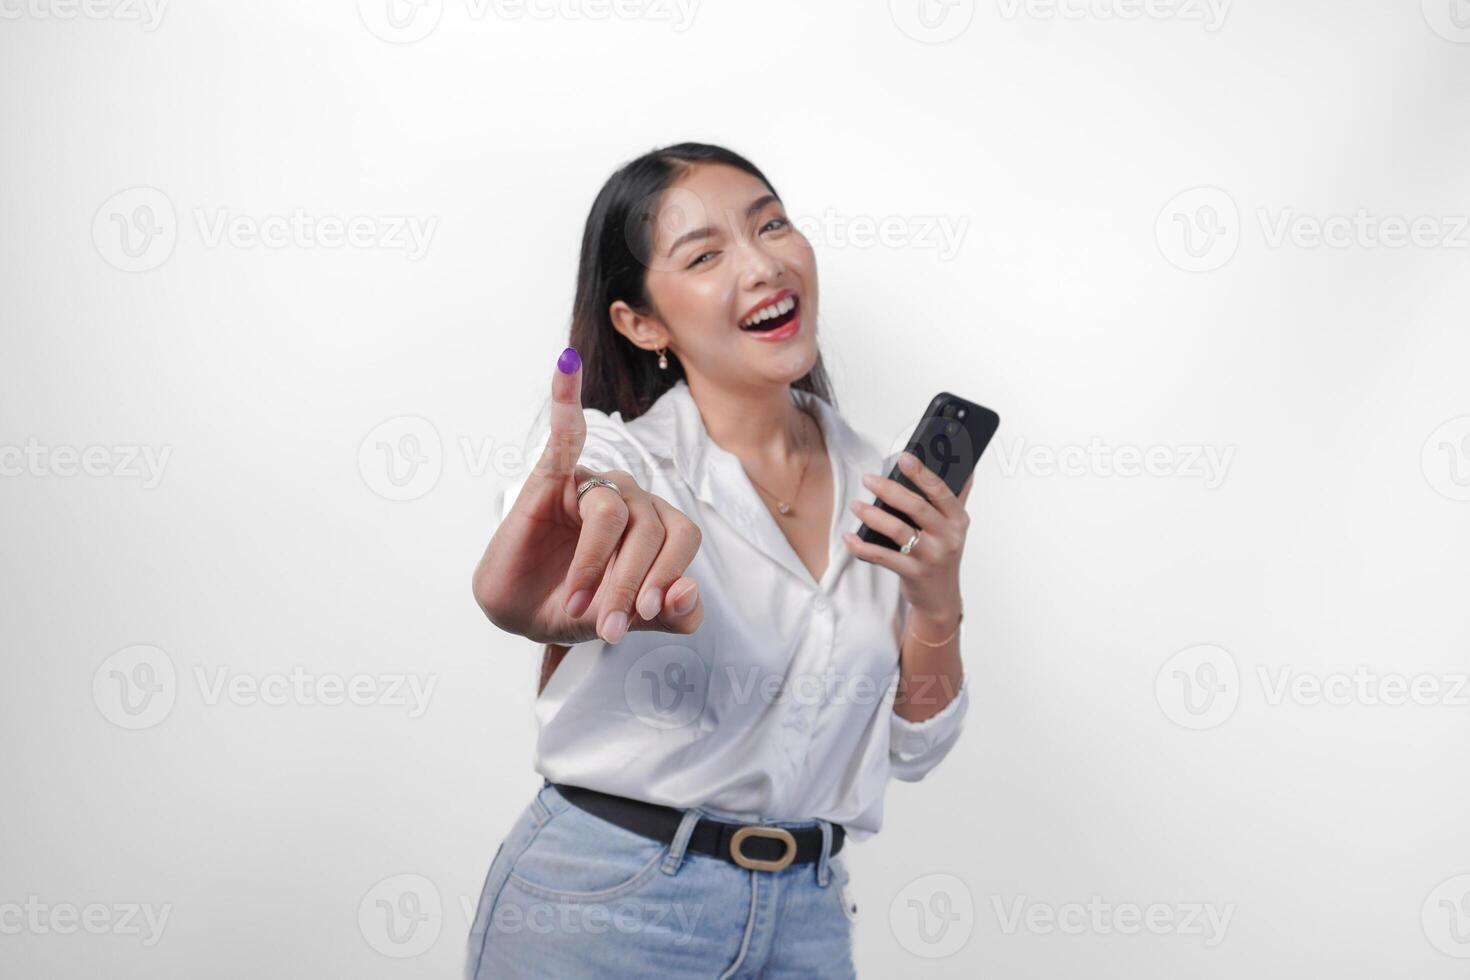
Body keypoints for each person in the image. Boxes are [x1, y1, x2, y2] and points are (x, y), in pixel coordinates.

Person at [467, 142, 976, 979]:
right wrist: (594, 501)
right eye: (705, 254)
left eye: (771, 225)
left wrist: (937, 601)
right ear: (641, 323)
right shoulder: (630, 457)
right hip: (607, 903)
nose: (763, 263)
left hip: (808, 916)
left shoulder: (889, 480)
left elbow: (912, 754)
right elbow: (582, 473)